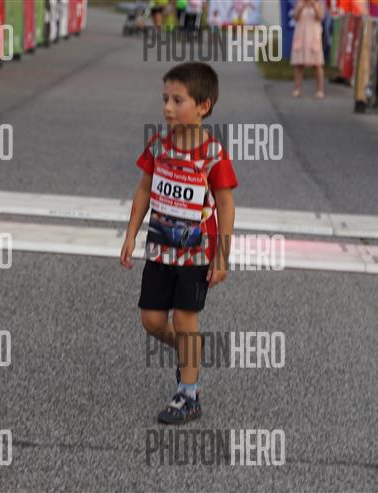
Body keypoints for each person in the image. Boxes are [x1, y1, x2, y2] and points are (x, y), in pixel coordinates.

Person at [120, 62, 237, 424]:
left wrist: (222, 256)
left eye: (178, 100)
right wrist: (131, 233)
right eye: (165, 99)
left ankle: (188, 394)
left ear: (203, 106)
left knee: (186, 319)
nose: (168, 108)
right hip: (160, 250)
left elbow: (225, 204)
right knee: (152, 321)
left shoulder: (213, 154)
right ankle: (190, 355)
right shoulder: (158, 145)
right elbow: (143, 189)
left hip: (196, 254)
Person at [291, 0, 326, 99]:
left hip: (313, 37)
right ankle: (297, 89)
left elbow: (320, 17)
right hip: (301, 36)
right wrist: (300, 7)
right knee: (298, 65)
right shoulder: (299, 3)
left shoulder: (318, 4)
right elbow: (295, 18)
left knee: (317, 65)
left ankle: (320, 90)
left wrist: (314, 5)